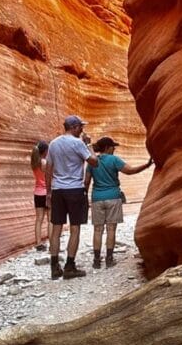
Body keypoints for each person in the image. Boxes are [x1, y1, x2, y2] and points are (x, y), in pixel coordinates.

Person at [84, 136, 153, 268]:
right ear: (108, 148)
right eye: (113, 147)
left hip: (97, 198)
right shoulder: (114, 160)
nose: (114, 149)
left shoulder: (92, 162)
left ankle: (97, 261)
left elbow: (86, 182)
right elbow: (130, 171)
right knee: (111, 229)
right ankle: (109, 259)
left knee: (97, 230)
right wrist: (147, 165)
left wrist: (84, 196)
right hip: (113, 197)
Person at [44, 115, 98, 279]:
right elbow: (94, 162)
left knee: (56, 229)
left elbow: (49, 169)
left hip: (58, 190)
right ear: (74, 127)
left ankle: (54, 267)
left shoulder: (53, 143)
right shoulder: (78, 143)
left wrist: (48, 192)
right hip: (75, 190)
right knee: (75, 229)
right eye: (81, 126)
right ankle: (69, 266)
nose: (82, 129)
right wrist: (88, 145)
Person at [30, 141, 50, 251]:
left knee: (39, 219)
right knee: (50, 219)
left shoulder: (35, 163)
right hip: (46, 193)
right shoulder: (44, 162)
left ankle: (38, 243)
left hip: (37, 192)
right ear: (45, 151)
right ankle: (52, 242)